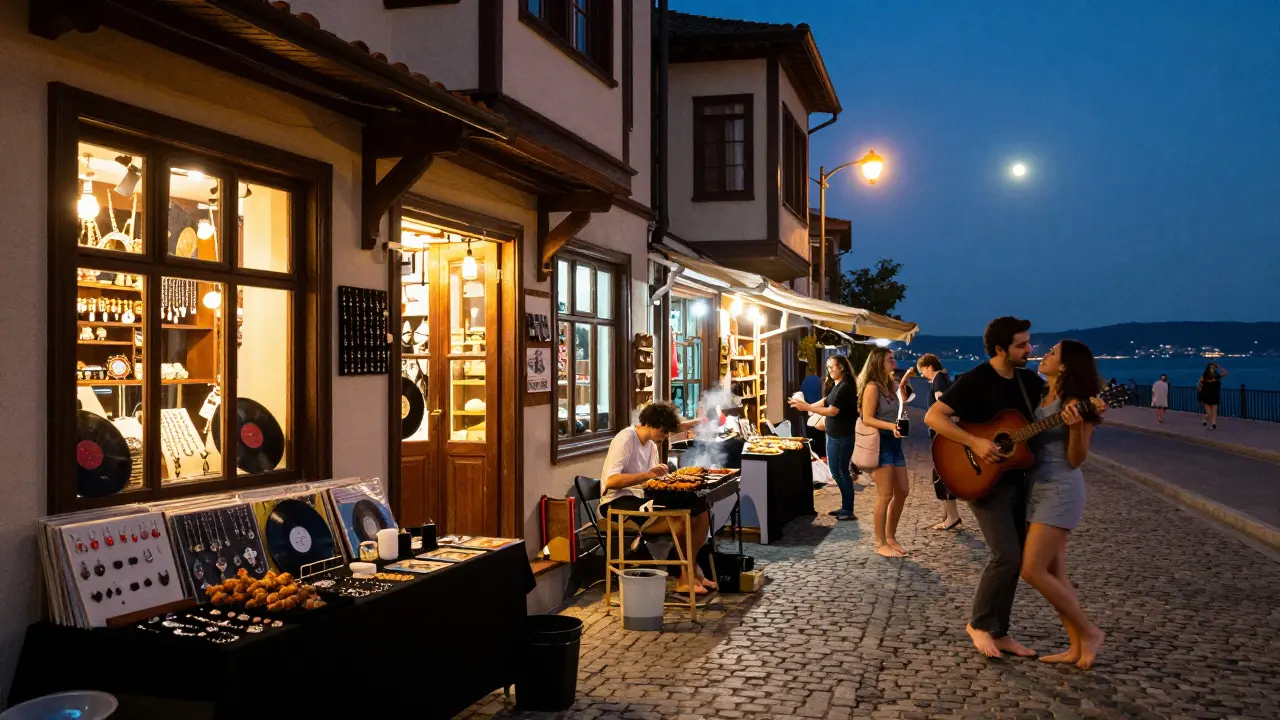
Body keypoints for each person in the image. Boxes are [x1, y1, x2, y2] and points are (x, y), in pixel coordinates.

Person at [924, 317, 1044, 659]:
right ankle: (978, 625)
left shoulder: (1028, 381)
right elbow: (933, 416)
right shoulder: (977, 379)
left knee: (1017, 559)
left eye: (1028, 343)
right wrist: (975, 442)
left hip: (1017, 479)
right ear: (1000, 349)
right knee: (1006, 555)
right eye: (1021, 345)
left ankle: (1001, 631)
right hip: (979, 478)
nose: (1029, 349)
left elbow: (1049, 414)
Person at [1020, 340, 1106, 669]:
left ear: (1065, 365)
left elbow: (1077, 459)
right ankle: (1075, 645)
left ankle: (1090, 632)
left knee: (1032, 570)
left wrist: (1074, 429)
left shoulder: (1077, 404)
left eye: (1052, 353)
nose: (1044, 356)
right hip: (1037, 487)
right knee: (1055, 573)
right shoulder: (1043, 395)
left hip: (1061, 488)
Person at [599, 402, 715, 595]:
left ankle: (692, 572)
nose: (666, 436)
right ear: (654, 424)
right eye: (665, 431)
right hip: (616, 503)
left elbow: (650, 483)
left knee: (699, 512)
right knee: (681, 519)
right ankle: (687, 574)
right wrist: (648, 475)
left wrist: (664, 480)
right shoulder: (626, 438)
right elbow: (611, 481)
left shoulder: (651, 445)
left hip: (640, 498)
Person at [789, 355, 858, 521]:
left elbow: (832, 410)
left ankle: (848, 510)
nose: (829, 370)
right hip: (834, 434)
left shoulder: (846, 386)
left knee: (840, 472)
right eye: (828, 367)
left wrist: (806, 407)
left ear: (841, 367)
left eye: (831, 367)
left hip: (841, 436)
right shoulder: (838, 385)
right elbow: (827, 400)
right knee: (837, 472)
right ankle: (845, 506)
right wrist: (808, 406)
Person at [856, 347, 910, 557]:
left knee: (903, 491)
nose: (893, 361)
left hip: (895, 445)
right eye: (889, 359)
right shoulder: (872, 387)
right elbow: (867, 418)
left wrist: (903, 386)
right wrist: (890, 427)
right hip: (881, 445)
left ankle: (891, 537)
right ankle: (881, 543)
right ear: (878, 362)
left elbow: (901, 407)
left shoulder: (890, 384)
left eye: (893, 358)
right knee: (885, 495)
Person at [902, 354, 960, 531]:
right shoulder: (942, 378)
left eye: (922, 371)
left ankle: (952, 516)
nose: (923, 375)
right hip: (941, 433)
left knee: (942, 473)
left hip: (942, 434)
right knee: (940, 472)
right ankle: (949, 515)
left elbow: (943, 405)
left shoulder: (939, 380)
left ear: (928, 367)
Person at [1198, 363, 1227, 430]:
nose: (1212, 368)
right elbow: (1199, 386)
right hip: (1206, 396)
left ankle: (1213, 425)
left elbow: (1225, 373)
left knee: (1214, 413)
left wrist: (1219, 366)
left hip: (1214, 396)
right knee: (1209, 413)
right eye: (1211, 367)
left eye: (1214, 367)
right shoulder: (1204, 376)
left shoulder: (1217, 376)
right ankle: (1205, 418)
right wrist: (1200, 395)